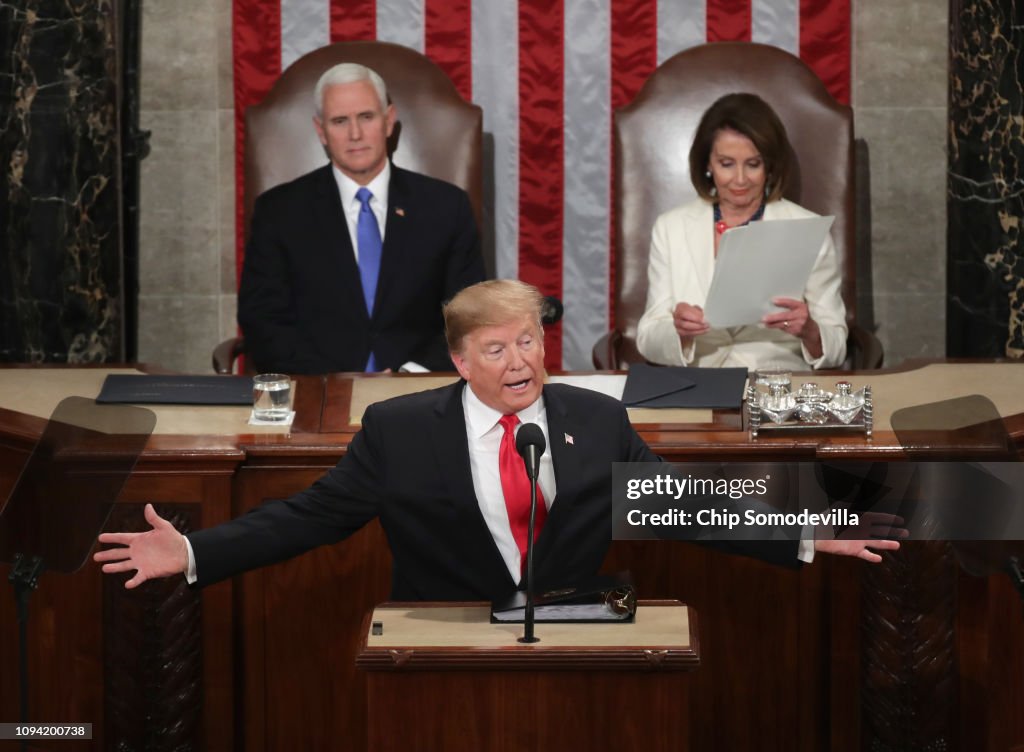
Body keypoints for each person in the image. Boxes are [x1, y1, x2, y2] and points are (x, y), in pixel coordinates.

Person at [95, 281, 897, 599]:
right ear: (457, 360)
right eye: (496, 349)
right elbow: (309, 517)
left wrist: (799, 528)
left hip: (575, 646)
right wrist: (194, 553)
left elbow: (680, 504)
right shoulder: (401, 430)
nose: (521, 363)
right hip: (440, 650)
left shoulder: (592, 418)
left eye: (528, 342)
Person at [238, 62, 485, 374]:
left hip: (420, 392)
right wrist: (332, 381)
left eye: (366, 117)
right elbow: (263, 320)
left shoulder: (446, 207)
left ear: (388, 121)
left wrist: (411, 374)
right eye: (340, 121)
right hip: (316, 392)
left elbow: (470, 316)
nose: (355, 134)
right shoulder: (279, 212)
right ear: (321, 131)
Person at [636, 93, 848, 371]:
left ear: (769, 166)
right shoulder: (671, 227)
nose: (739, 179)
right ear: (708, 165)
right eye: (726, 164)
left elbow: (837, 346)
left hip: (776, 388)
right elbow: (648, 338)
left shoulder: (808, 228)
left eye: (753, 164)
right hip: (700, 386)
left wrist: (809, 330)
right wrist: (680, 333)